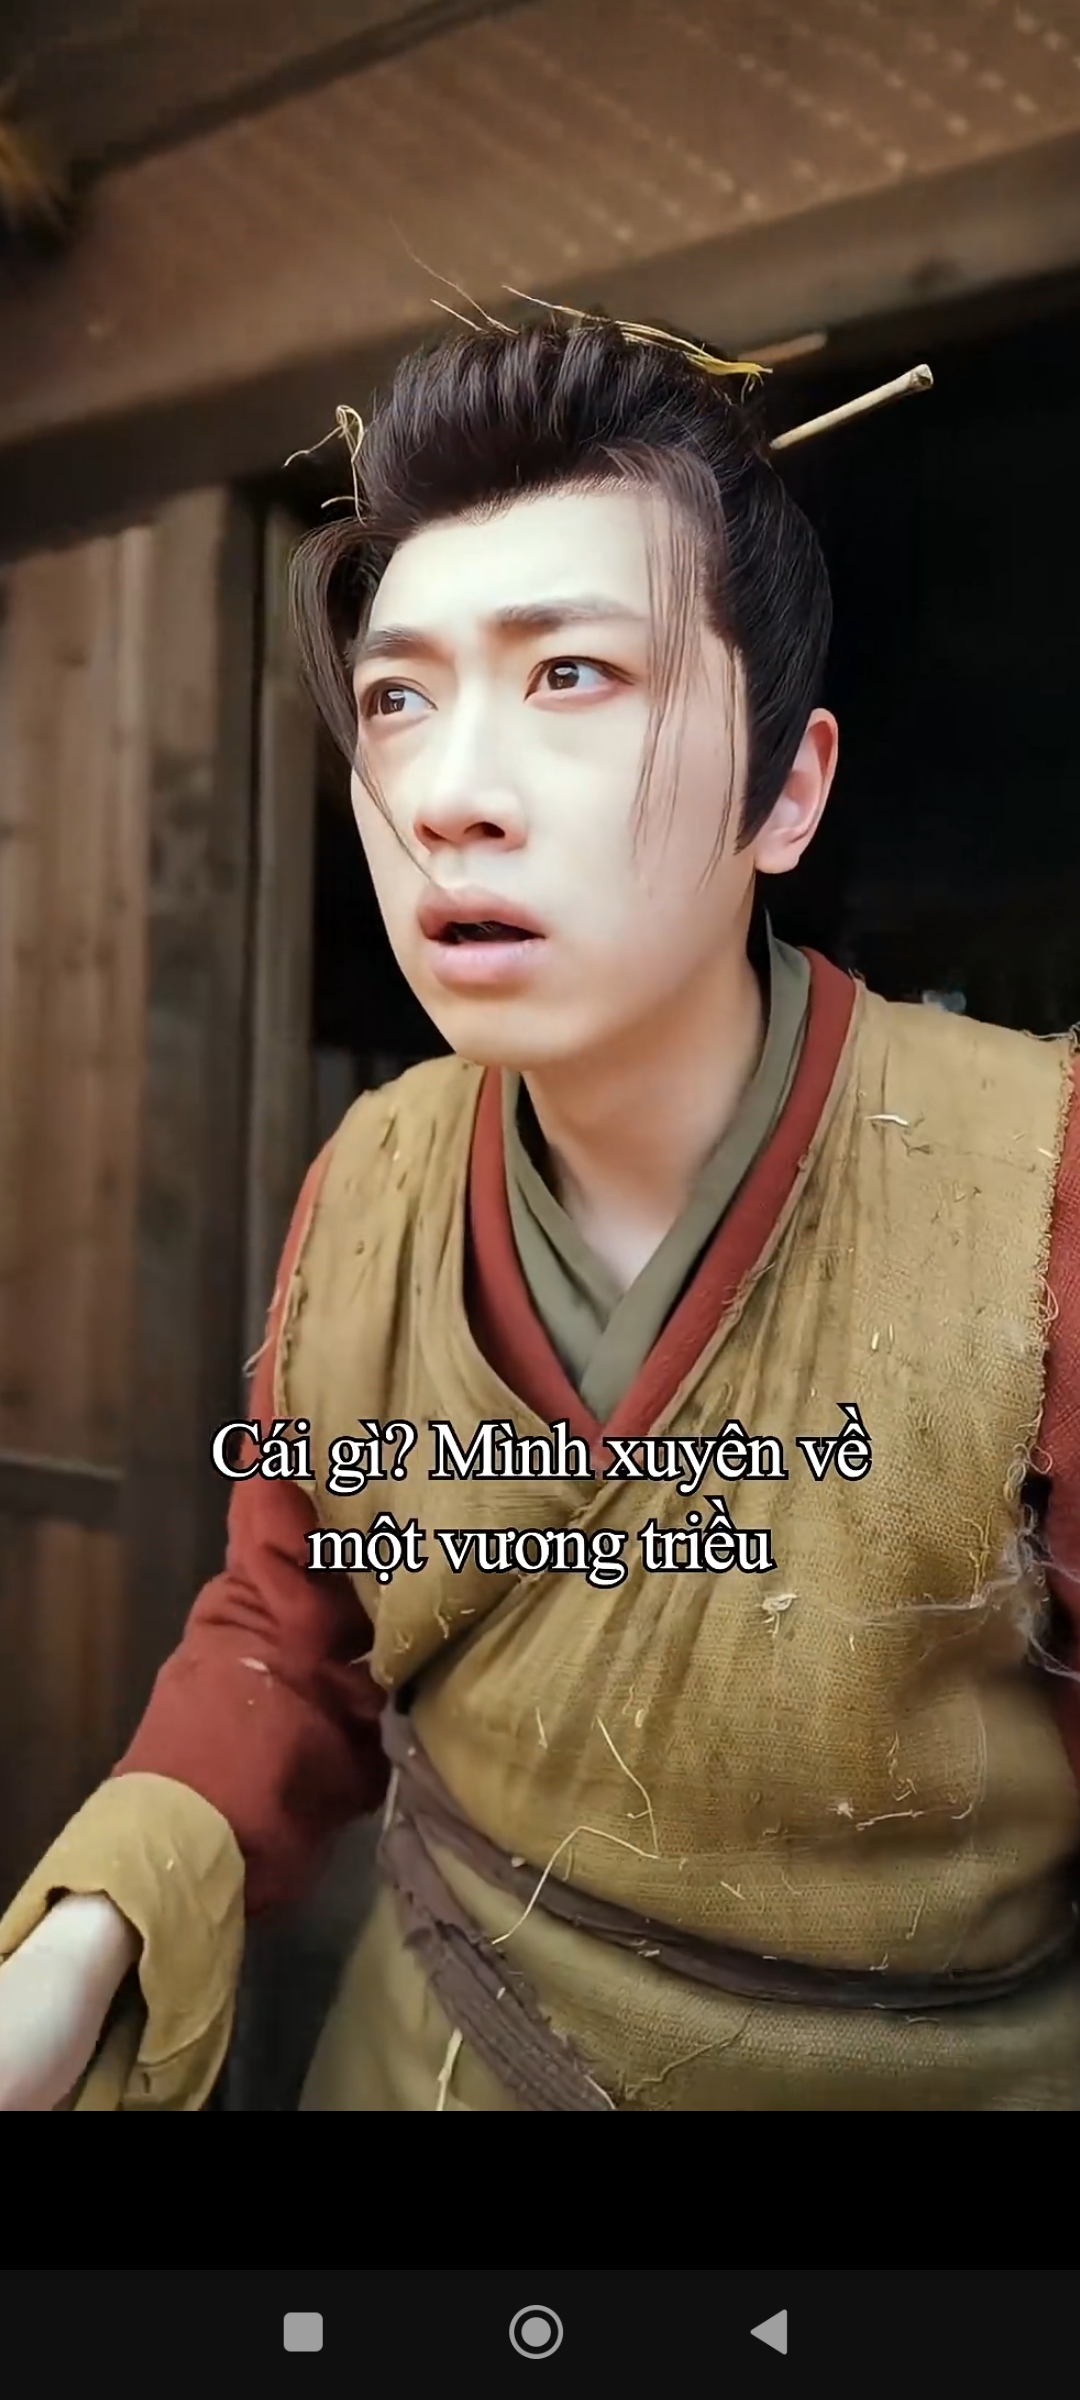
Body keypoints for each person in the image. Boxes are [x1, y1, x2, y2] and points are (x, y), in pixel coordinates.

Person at [2, 312, 1079, 2112]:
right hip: (422, 2059)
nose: (448, 796)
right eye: (399, 698)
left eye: (571, 671)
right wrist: (78, 1947)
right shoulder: (374, 1176)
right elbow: (293, 1626)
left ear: (788, 790)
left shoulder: (1035, 1187)